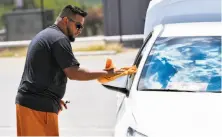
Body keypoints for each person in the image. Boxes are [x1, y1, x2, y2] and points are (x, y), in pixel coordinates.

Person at [15, 5, 122, 136]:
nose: (80, 30)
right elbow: (74, 73)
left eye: (81, 27)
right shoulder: (59, 39)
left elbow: (40, 72)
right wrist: (107, 73)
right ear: (66, 20)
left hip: (29, 104)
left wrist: (53, 97)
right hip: (38, 108)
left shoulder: (46, 35)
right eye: (78, 26)